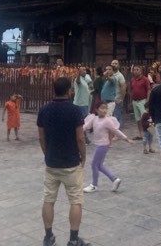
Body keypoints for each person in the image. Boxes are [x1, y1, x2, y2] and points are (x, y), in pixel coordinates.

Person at [37, 77, 89, 246]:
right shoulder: (74, 111)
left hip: (52, 162)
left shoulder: (44, 110)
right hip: (71, 163)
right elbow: (80, 138)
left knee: (48, 199)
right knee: (75, 201)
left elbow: (41, 137)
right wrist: (84, 156)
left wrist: (47, 153)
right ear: (69, 91)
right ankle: (73, 239)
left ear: (54, 90)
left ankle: (48, 236)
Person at [82, 101, 133, 193]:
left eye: (106, 108)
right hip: (97, 144)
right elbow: (84, 127)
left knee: (94, 164)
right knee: (99, 165)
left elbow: (116, 131)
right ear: (97, 109)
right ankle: (114, 179)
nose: (104, 110)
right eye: (102, 108)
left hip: (102, 145)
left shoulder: (108, 120)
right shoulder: (94, 119)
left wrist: (126, 139)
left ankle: (94, 185)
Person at [130, 65, 151, 140]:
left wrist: (147, 101)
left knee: (145, 118)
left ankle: (147, 133)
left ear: (141, 71)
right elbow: (131, 91)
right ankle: (141, 134)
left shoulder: (145, 79)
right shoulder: (132, 80)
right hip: (135, 101)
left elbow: (148, 90)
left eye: (137, 69)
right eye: (134, 70)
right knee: (138, 119)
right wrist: (131, 101)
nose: (135, 71)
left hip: (142, 101)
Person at [110, 59, 127, 125]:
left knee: (116, 118)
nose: (114, 65)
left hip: (117, 100)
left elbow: (123, 88)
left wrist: (121, 99)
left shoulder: (120, 76)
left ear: (118, 66)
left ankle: (118, 132)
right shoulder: (110, 75)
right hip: (110, 100)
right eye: (112, 63)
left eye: (115, 63)